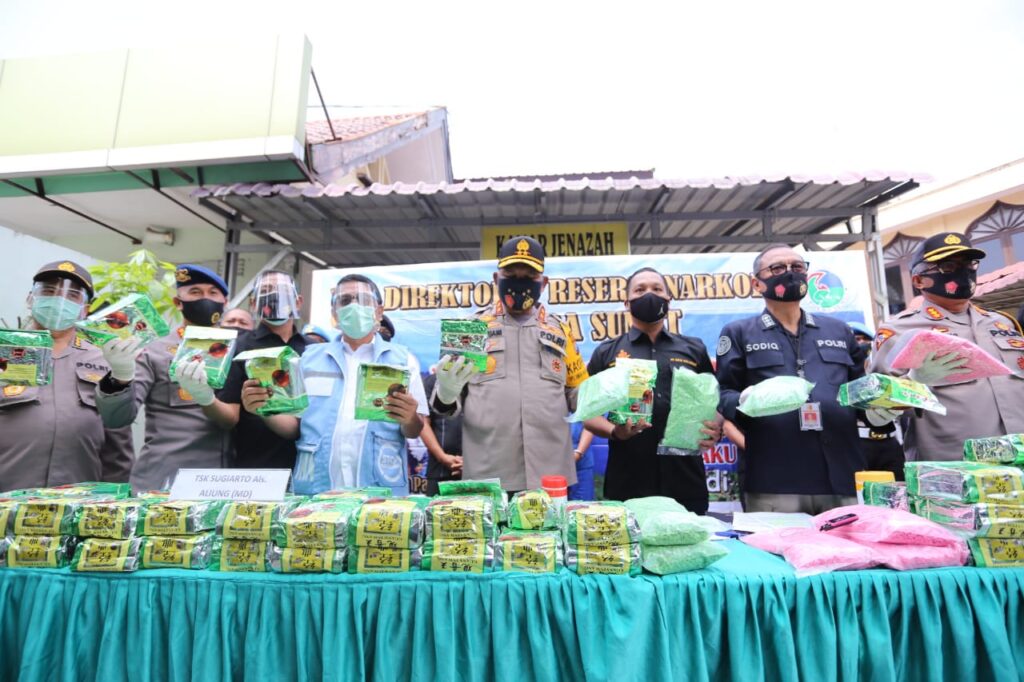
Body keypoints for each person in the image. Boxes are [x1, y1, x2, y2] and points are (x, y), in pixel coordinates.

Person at [715, 245, 884, 514]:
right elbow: (722, 393)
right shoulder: (739, 332)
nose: (789, 273)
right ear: (757, 284)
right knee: (779, 542)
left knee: (847, 541)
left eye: (797, 266)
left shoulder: (838, 330)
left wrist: (884, 408)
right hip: (775, 477)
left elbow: (859, 392)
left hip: (842, 474)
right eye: (777, 268)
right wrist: (747, 400)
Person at [241, 274, 425, 495]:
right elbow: (294, 427)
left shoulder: (404, 361)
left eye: (363, 300)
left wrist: (409, 418)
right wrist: (263, 409)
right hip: (318, 491)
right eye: (345, 301)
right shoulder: (308, 359)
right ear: (334, 313)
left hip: (380, 491)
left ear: (378, 311)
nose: (354, 306)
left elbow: (415, 429)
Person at [431, 236, 588, 493]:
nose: (519, 282)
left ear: (543, 283)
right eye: (511, 275)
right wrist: (446, 393)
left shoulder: (561, 330)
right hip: (489, 472)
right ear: (496, 279)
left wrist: (609, 397)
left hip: (550, 473)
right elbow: (444, 408)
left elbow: (578, 394)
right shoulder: (469, 330)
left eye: (529, 276)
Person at [870, 232, 1024, 461]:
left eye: (969, 264)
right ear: (918, 280)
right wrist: (913, 381)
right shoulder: (899, 331)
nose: (963, 272)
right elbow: (875, 412)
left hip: (1019, 458)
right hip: (956, 468)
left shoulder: (1002, 323)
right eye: (948, 266)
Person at [584, 267, 722, 513]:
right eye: (640, 290)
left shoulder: (693, 348)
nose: (649, 294)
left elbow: (714, 403)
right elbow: (588, 413)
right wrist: (616, 432)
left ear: (668, 299)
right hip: (628, 478)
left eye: (657, 289)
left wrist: (714, 429)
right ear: (627, 303)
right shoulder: (607, 352)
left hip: (685, 478)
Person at [95, 264, 233, 491]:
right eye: (195, 292)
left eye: (213, 292)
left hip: (231, 483)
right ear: (178, 302)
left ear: (225, 302)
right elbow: (118, 418)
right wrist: (120, 375)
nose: (205, 298)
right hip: (167, 483)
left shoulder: (239, 349)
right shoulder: (155, 349)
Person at [0, 261, 133, 490]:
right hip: (8, 495)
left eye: (72, 295)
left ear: (85, 309)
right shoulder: (5, 352)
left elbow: (118, 442)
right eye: (49, 291)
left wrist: (114, 497)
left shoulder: (105, 359)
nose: (59, 300)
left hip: (78, 499)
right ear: (31, 299)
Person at [179, 270, 309, 470]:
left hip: (310, 466)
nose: (274, 297)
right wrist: (205, 397)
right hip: (257, 467)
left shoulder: (316, 350)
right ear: (253, 303)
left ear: (298, 302)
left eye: (282, 291)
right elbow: (229, 418)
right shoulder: (238, 347)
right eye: (266, 291)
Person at [421, 370, 464, 495]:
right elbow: (423, 422)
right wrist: (442, 457)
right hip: (439, 470)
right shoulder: (433, 381)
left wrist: (472, 463)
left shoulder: (482, 383)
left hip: (480, 472)